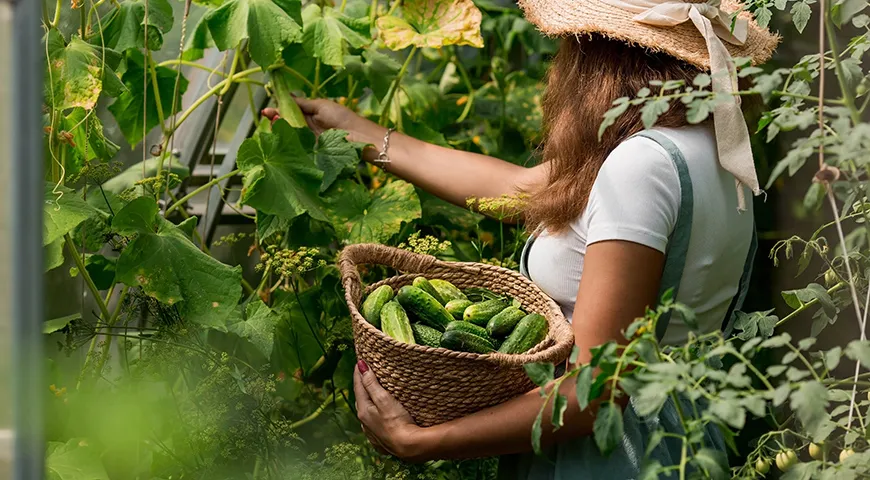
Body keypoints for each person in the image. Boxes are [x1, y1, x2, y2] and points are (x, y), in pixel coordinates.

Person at [294, 0, 778, 477]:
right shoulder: (710, 148)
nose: (558, 66)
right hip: (681, 438)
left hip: (608, 456)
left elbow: (594, 391)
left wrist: (423, 441)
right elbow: (518, 190)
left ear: (598, 55)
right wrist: (354, 129)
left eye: (568, 45)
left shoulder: (641, 168)